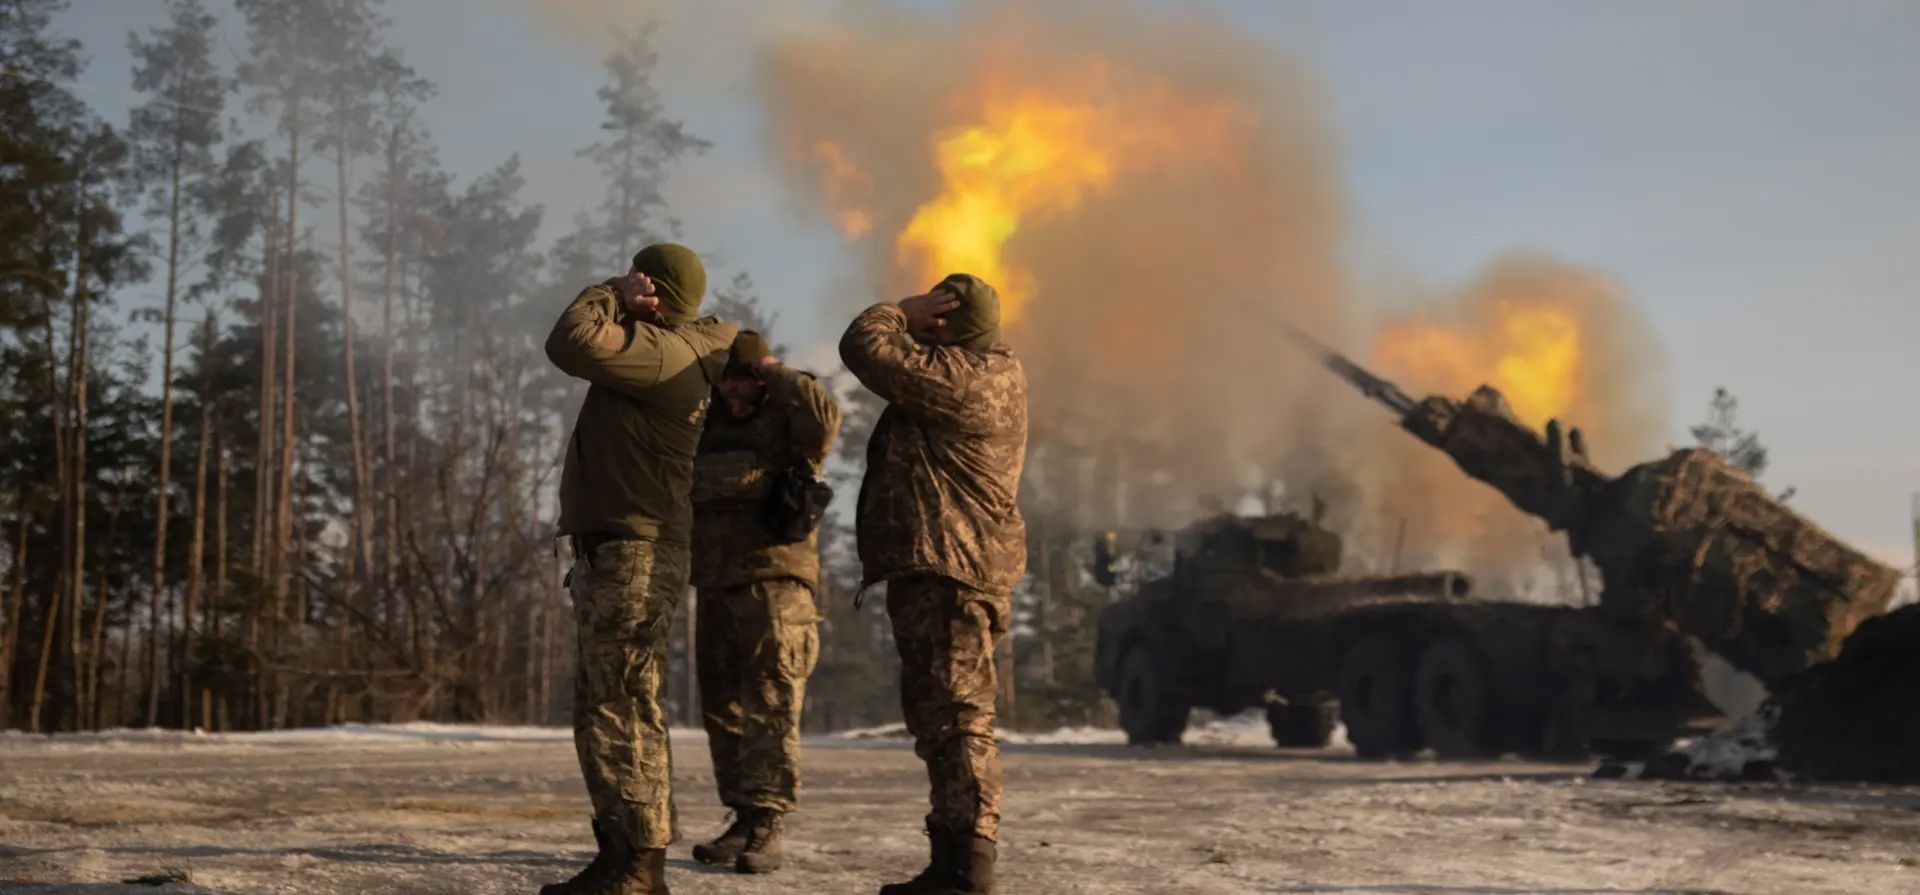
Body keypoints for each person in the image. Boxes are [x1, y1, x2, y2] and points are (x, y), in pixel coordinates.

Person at [542, 243, 737, 895]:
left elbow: (570, 340)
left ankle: (635, 861)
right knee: (617, 701)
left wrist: (608, 291)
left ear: (652, 288)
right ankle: (627, 851)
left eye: (641, 280)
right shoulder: (668, 352)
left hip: (635, 549)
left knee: (619, 702)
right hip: (629, 546)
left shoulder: (663, 354)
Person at [838, 273, 1028, 895]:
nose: (925, 326)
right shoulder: (978, 373)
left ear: (948, 324)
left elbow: (865, 346)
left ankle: (971, 862)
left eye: (936, 317)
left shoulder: (970, 378)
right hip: (943, 568)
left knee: (960, 716)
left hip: (954, 570)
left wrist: (898, 311)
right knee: (938, 718)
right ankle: (951, 860)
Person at [687, 330, 842, 874]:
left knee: (771, 705)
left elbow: (825, 416)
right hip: (714, 585)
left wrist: (773, 370)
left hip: (776, 588)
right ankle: (743, 817)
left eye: (739, 377)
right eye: (722, 379)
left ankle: (769, 822)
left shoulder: (787, 424)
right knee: (722, 707)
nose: (730, 390)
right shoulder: (709, 428)